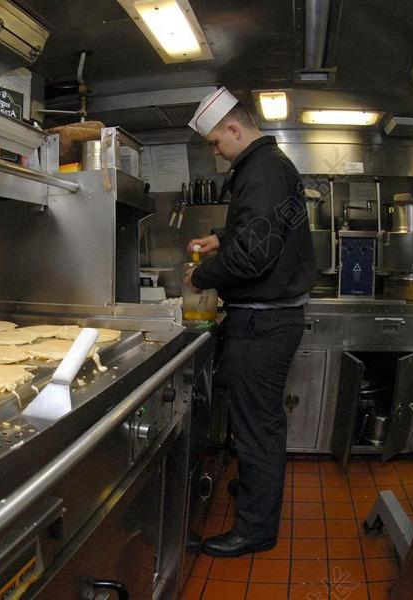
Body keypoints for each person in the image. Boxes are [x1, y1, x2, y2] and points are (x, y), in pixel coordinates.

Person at [185, 88, 317, 558]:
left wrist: (202, 273)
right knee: (260, 421)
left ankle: (256, 529)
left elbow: (255, 255)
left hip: (262, 324)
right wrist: (221, 237)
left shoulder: (259, 171)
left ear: (234, 129)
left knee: (256, 426)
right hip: (274, 321)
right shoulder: (273, 165)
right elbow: (267, 228)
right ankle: (258, 491)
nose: (216, 153)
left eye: (217, 143)